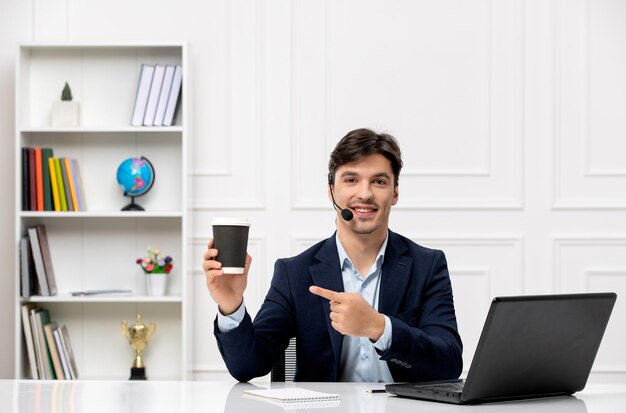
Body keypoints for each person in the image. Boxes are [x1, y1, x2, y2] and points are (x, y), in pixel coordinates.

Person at [203, 128, 462, 382]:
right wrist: (231, 305)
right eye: (351, 180)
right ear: (331, 191)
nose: (365, 193)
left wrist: (379, 327)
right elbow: (248, 366)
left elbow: (449, 362)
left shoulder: (427, 265)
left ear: (394, 193)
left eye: (379, 181)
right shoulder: (295, 273)